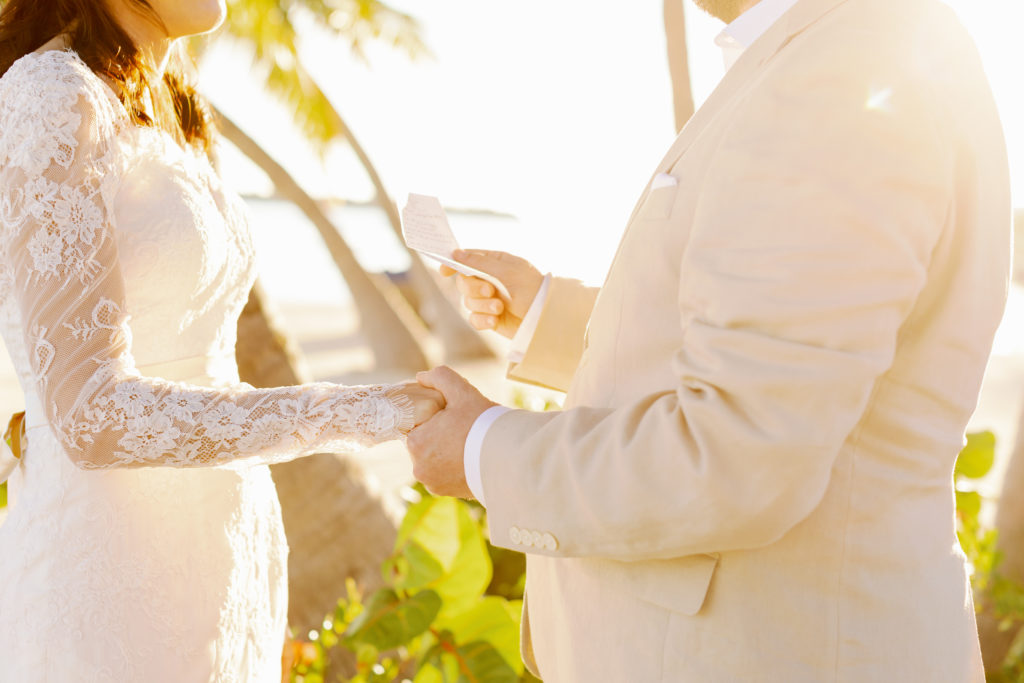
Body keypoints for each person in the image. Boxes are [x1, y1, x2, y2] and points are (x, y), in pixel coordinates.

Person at [406, 0, 1012, 680]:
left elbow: (738, 448)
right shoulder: (836, 53)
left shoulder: (847, 72)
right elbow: (775, 342)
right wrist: (545, 310)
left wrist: (483, 451)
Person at [0, 0, 443, 680]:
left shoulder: (166, 105)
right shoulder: (50, 95)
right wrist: (358, 412)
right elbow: (88, 410)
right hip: (109, 581)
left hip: (218, 566)